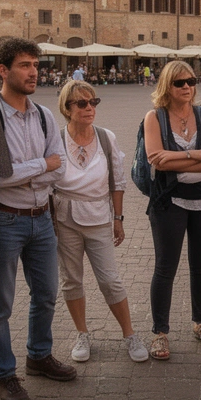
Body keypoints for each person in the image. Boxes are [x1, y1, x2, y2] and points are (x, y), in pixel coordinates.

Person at [0, 38, 73, 400]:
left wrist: (34, 171)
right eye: (25, 65)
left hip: (41, 218)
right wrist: (41, 167)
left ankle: (39, 356)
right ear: (2, 70)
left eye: (36, 65)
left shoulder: (44, 115)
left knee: (45, 294)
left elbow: (57, 166)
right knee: (2, 303)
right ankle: (4, 373)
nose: (34, 73)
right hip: (5, 221)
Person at [52, 80, 148, 363]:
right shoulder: (55, 139)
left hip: (98, 216)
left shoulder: (107, 138)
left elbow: (117, 182)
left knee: (110, 279)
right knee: (71, 279)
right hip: (64, 217)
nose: (89, 108)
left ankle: (129, 333)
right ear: (67, 109)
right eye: (82, 103)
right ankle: (82, 333)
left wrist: (118, 218)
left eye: (93, 102)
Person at [141, 60, 201, 360]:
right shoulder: (155, 117)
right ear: (167, 86)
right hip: (169, 201)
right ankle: (159, 332)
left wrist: (179, 157)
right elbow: (156, 159)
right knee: (166, 267)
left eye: (191, 81)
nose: (187, 87)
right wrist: (199, 153)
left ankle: (200, 322)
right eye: (179, 83)